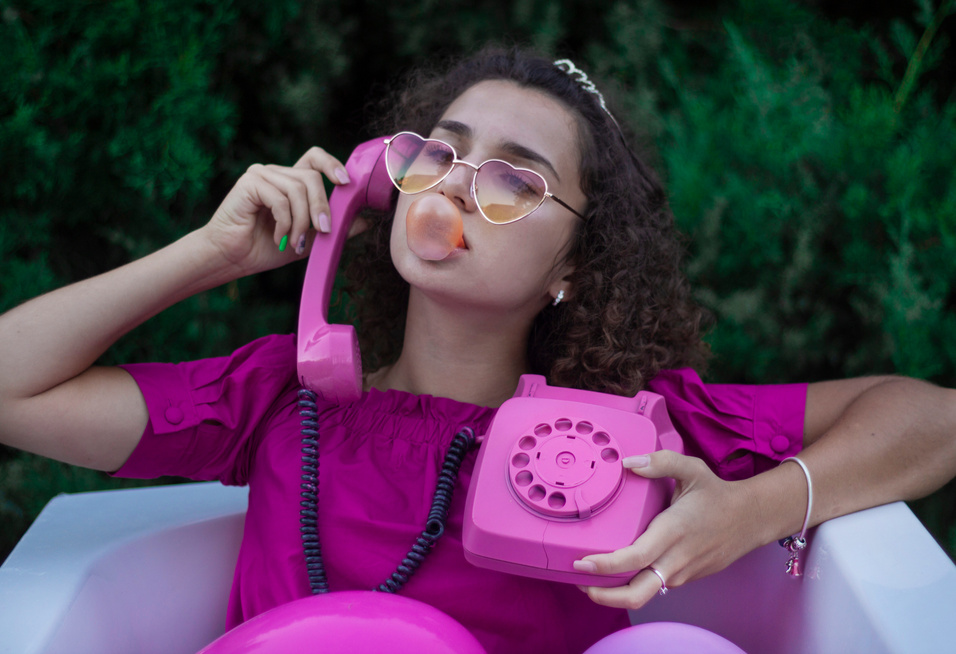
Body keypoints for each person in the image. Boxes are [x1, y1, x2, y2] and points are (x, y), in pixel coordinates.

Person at [0, 46, 954, 654]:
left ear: (574, 263)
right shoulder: (280, 398)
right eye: (438, 152)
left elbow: (934, 417)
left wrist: (756, 510)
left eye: (513, 180)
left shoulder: (627, 436)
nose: (453, 186)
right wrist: (210, 256)